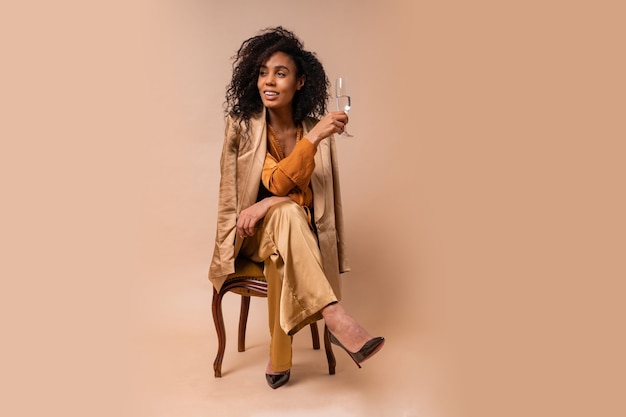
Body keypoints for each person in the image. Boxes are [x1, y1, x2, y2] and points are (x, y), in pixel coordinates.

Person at [208, 26, 384, 389]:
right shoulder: (244, 127)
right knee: (285, 215)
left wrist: (272, 202)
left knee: (281, 248)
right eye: (262, 72)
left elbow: (307, 199)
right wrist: (315, 139)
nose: (268, 81)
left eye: (280, 73)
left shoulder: (308, 128)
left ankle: (280, 357)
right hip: (249, 235)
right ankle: (334, 316)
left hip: (295, 238)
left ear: (301, 82)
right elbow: (277, 182)